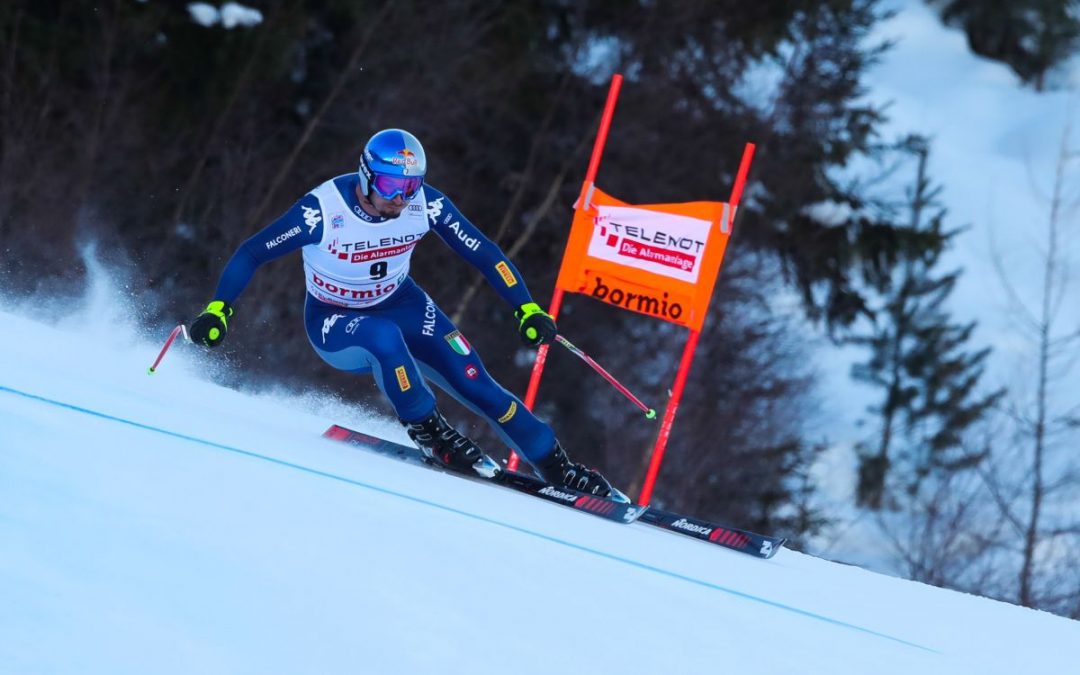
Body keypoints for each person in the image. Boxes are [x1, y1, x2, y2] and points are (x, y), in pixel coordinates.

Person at [189, 128, 622, 499]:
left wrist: (525, 308)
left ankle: (558, 467)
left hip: (403, 301)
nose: (401, 198)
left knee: (476, 381)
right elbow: (252, 252)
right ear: (366, 175)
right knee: (383, 338)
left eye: (410, 187)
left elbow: (486, 254)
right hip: (333, 319)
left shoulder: (425, 205)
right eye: (391, 186)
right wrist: (219, 310)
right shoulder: (321, 210)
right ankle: (432, 433)